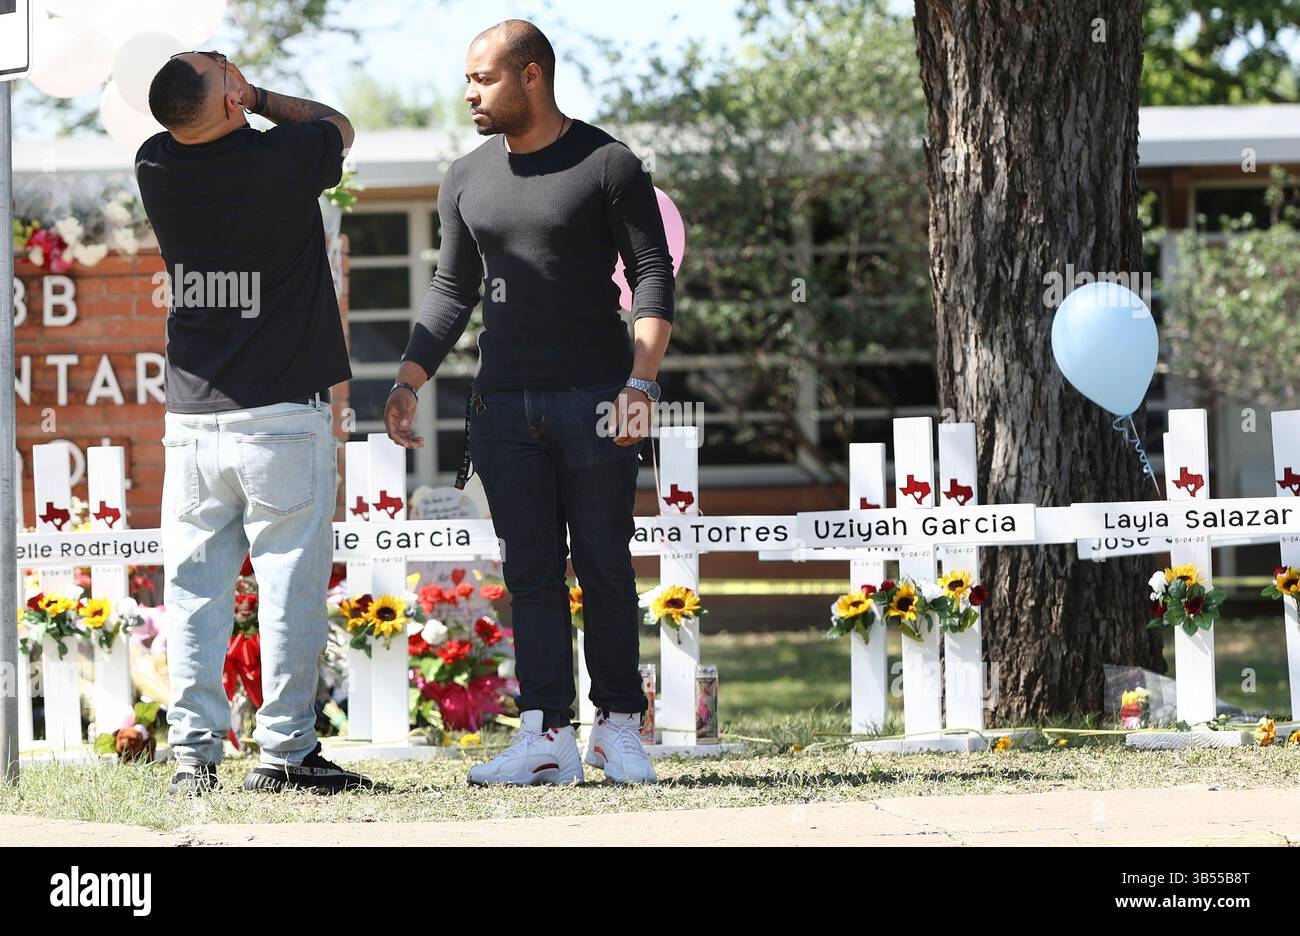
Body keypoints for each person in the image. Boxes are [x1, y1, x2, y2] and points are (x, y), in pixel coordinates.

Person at [385, 20, 675, 785]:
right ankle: (545, 733)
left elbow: (652, 272)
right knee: (532, 574)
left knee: (606, 566)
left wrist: (641, 382)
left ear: (532, 75)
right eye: (469, 80)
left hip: (598, 398)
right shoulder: (464, 177)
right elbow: (453, 290)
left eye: (483, 79)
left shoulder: (608, 163)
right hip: (502, 407)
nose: (470, 93)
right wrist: (409, 378)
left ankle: (617, 727)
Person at [137, 51, 370, 795]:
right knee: (288, 587)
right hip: (281, 415)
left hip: (192, 419)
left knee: (194, 590)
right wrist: (263, 94)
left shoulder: (154, 166)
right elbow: (339, 125)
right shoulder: (285, 157)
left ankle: (192, 757)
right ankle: (286, 753)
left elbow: (196, 124)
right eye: (227, 70)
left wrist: (227, 96)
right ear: (233, 98)